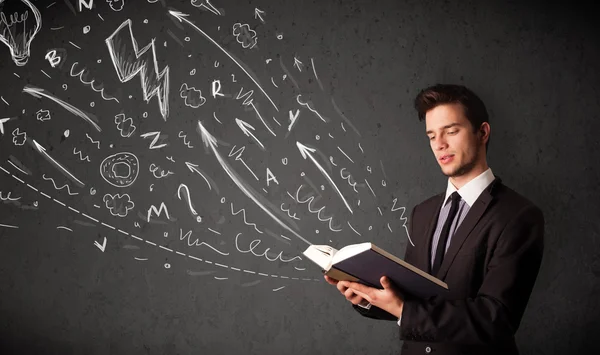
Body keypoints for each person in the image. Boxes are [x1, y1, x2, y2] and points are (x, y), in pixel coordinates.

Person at [325, 84, 545, 355]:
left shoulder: (519, 215)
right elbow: (414, 299)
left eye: (451, 131)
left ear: (483, 132)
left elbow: (496, 318)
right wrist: (367, 296)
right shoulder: (423, 212)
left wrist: (403, 309)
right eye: (431, 136)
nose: (440, 144)